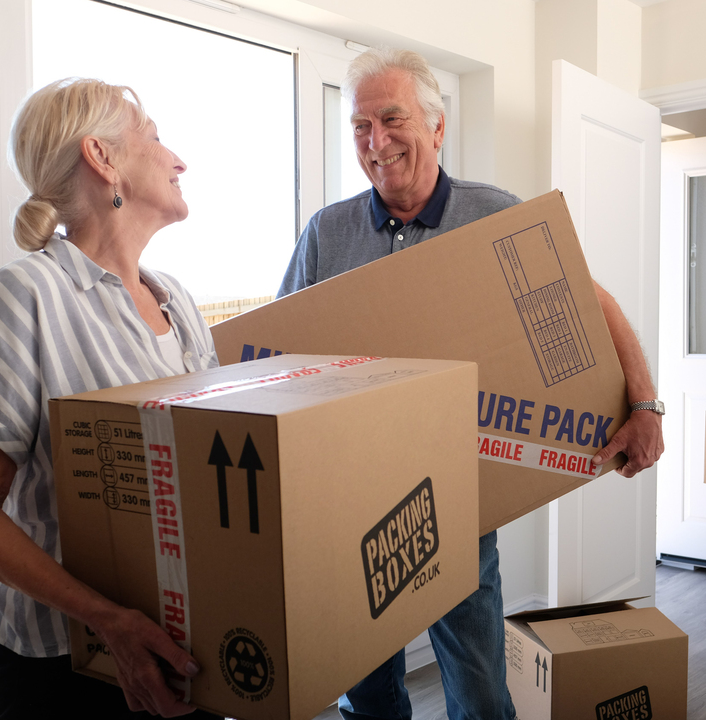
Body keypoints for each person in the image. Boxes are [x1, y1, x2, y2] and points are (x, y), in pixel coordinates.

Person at [277, 48, 665, 720]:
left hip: (458, 499)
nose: (376, 141)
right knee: (366, 693)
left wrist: (644, 404)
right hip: (351, 497)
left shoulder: (493, 215)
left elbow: (596, 305)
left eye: (392, 118)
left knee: (480, 689)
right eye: (360, 126)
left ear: (437, 126)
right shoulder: (327, 232)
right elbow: (277, 355)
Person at [0, 78, 222, 719]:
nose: (178, 159)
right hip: (60, 669)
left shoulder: (177, 300)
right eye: (153, 136)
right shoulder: (26, 296)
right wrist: (107, 620)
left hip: (179, 645)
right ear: (103, 157)